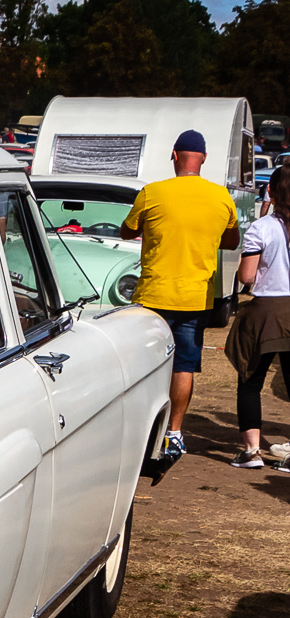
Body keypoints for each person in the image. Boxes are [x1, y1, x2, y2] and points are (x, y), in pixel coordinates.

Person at [121, 129, 242, 457]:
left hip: (152, 295)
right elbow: (232, 241)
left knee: (145, 364)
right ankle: (174, 431)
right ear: (203, 158)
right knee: (184, 365)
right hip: (195, 298)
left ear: (174, 155)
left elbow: (127, 229)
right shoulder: (221, 198)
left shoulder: (153, 192)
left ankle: (141, 428)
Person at [226, 165, 290, 469]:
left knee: (250, 381)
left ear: (273, 193)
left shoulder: (261, 227)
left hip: (267, 311)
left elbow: (248, 276)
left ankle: (252, 451)